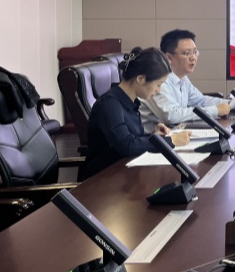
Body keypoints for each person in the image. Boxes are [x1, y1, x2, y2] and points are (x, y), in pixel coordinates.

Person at [80, 47, 191, 180]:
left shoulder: (130, 102)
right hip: (102, 180)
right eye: (158, 84)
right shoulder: (110, 104)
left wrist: (154, 136)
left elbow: (131, 138)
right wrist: (170, 141)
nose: (159, 90)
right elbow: (126, 145)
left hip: (123, 175)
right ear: (140, 79)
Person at [140, 29, 235, 133]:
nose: (193, 58)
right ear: (169, 58)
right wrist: (215, 110)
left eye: (195, 52)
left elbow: (200, 101)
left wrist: (230, 104)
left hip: (173, 133)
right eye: (187, 53)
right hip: (151, 138)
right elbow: (171, 116)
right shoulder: (158, 81)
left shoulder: (182, 78)